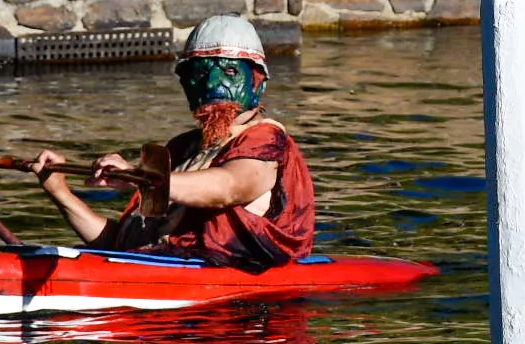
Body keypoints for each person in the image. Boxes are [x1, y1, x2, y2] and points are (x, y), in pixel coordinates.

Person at [26, 16, 318, 271]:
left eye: (229, 72)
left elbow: (228, 187)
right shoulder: (182, 149)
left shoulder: (265, 140)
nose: (213, 84)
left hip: (232, 318)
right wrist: (59, 191)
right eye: (200, 74)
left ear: (258, 84)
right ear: (185, 85)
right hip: (165, 284)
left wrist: (141, 177)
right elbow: (120, 246)